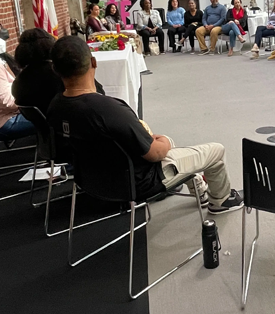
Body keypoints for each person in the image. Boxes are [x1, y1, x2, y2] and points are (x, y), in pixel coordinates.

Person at [47, 36, 244, 214]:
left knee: (170, 146)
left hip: (92, 182)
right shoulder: (109, 109)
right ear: (93, 62)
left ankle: (199, 188)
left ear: (55, 69)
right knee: (215, 151)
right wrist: (164, 141)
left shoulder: (55, 107)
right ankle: (221, 201)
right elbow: (155, 153)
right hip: (137, 182)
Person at [12, 28, 104, 115]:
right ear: (49, 45)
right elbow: (98, 92)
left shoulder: (19, 81)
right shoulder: (59, 72)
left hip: (43, 128)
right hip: (72, 121)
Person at [0, 39, 35, 140]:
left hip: (8, 115)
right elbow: (7, 102)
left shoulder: (3, 60)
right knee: (54, 118)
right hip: (7, 122)